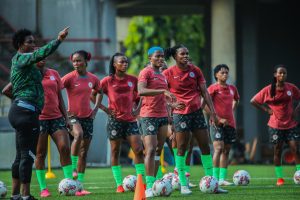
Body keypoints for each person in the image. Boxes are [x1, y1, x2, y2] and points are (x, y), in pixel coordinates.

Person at [5, 27, 69, 200]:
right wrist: (59, 40)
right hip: (26, 112)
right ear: (20, 44)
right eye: (30, 42)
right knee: (28, 155)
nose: (34, 45)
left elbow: (8, 89)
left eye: (34, 42)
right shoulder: (22, 58)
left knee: (20, 155)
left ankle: (16, 195)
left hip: (20, 110)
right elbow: (40, 53)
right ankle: (26, 195)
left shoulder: (22, 63)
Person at [163, 44, 227, 195]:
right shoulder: (168, 73)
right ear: (175, 57)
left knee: (205, 146)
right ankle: (183, 185)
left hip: (197, 112)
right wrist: (171, 106)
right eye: (182, 54)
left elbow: (205, 92)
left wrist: (213, 113)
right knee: (182, 148)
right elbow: (161, 95)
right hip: (180, 114)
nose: (186, 56)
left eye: (187, 53)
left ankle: (213, 183)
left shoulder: (195, 70)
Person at [94, 52, 145, 193]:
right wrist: (104, 109)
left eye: (126, 62)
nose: (125, 64)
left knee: (139, 150)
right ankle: (119, 185)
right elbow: (94, 94)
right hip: (114, 121)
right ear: (114, 64)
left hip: (130, 121)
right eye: (122, 62)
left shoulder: (133, 80)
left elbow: (141, 96)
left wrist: (138, 109)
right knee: (115, 152)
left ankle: (141, 183)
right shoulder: (107, 81)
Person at [251, 64, 300, 186]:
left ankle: (299, 174)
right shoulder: (268, 90)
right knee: (277, 151)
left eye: (284, 73)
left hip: (290, 124)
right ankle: (280, 178)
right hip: (275, 126)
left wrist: (296, 110)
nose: (282, 75)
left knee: (295, 149)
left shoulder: (291, 88)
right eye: (280, 73)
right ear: (275, 75)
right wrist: (266, 110)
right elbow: (253, 101)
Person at [61, 50, 102, 195]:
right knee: (78, 135)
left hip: (88, 117)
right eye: (74, 61)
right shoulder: (69, 78)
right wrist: (61, 111)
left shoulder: (93, 78)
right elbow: (55, 88)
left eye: (79, 61)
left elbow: (100, 92)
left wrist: (96, 109)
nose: (76, 63)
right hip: (72, 116)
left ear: (86, 62)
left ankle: (80, 187)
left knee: (84, 153)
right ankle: (72, 168)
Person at [138, 46, 176, 198]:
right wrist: (162, 91)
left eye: (162, 57)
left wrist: (173, 107)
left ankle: (153, 183)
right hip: (148, 116)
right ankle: (147, 187)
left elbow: (164, 99)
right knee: (151, 149)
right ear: (150, 58)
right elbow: (141, 91)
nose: (161, 59)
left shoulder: (162, 75)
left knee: (158, 150)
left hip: (162, 116)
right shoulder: (146, 72)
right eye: (157, 56)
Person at [206, 64, 240, 186]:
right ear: (216, 75)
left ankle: (221, 179)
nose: (225, 74)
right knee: (218, 149)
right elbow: (204, 105)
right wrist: (218, 118)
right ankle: (214, 179)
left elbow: (237, 99)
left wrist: (232, 110)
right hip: (216, 124)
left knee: (226, 151)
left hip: (230, 123)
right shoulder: (212, 88)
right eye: (222, 73)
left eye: (226, 72)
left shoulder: (232, 88)